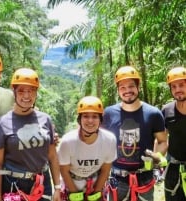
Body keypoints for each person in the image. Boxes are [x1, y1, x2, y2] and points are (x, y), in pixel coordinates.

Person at [0, 68, 61, 201]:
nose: (26, 96)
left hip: (42, 183)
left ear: (36, 93)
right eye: (21, 90)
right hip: (14, 184)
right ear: (14, 92)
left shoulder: (45, 119)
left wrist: (57, 187)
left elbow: (52, 156)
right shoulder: (2, 124)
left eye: (31, 91)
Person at [102, 65, 168, 201]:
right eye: (122, 88)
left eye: (131, 86)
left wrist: (157, 156)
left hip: (145, 176)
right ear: (118, 90)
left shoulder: (153, 113)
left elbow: (162, 141)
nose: (127, 91)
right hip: (117, 178)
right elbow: (100, 140)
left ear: (138, 87)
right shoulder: (109, 113)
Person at [58, 96, 117, 201]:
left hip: (96, 181)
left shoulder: (109, 140)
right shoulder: (68, 141)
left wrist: (97, 192)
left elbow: (105, 169)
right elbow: (64, 170)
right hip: (72, 182)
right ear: (79, 119)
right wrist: (75, 194)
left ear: (100, 120)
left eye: (95, 116)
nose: (90, 121)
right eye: (85, 116)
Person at [162, 66, 186, 201]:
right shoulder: (166, 110)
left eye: (181, 85)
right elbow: (161, 139)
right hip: (173, 167)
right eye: (174, 87)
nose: (178, 90)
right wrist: (157, 156)